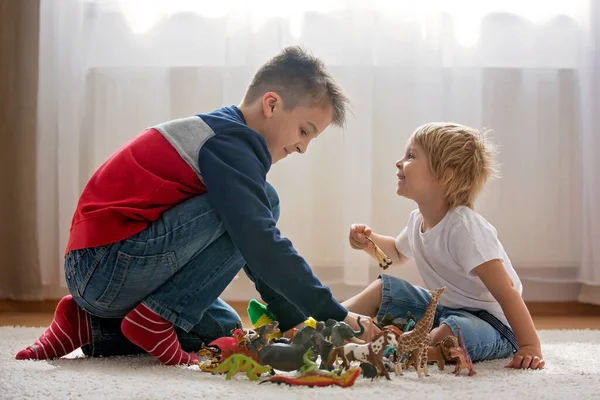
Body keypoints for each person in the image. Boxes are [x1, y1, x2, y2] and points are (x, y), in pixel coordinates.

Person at [16, 46, 372, 365]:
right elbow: (260, 244)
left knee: (224, 326)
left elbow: (256, 250)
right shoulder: (229, 142)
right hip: (105, 266)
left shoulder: (226, 139)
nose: (302, 148)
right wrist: (334, 314)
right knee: (263, 205)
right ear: (272, 104)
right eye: (304, 131)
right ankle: (155, 316)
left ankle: (88, 325)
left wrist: (292, 321)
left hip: (103, 272)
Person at [343, 122, 545, 369]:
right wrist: (368, 243)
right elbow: (396, 252)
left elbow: (507, 290)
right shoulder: (418, 219)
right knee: (381, 288)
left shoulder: (465, 228)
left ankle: (404, 351)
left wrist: (529, 346)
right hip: (445, 310)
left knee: (450, 333)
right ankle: (326, 318)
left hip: (494, 326)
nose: (399, 162)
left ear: (445, 175)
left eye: (411, 156)